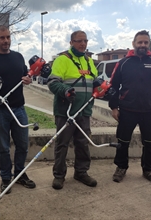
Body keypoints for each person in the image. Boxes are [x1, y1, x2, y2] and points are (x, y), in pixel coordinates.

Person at [109, 30, 151, 186]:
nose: (142, 45)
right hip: (127, 109)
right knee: (123, 141)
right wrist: (114, 107)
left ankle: (148, 170)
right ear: (133, 44)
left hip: (150, 110)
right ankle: (121, 167)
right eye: (140, 42)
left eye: (145, 42)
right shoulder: (123, 63)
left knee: (150, 143)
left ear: (148, 44)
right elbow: (113, 86)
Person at [0, 25, 36, 194]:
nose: (6, 41)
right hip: (0, 110)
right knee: (3, 147)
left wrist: (28, 79)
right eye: (2, 38)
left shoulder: (19, 57)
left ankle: (19, 174)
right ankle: (5, 178)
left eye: (8, 37)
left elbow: (25, 76)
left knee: (23, 145)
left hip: (19, 108)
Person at [47, 30, 98, 190]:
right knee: (62, 144)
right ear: (71, 42)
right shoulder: (63, 60)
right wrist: (65, 90)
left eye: (85, 41)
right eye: (78, 41)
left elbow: (94, 81)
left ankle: (81, 172)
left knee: (82, 143)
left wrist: (101, 87)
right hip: (66, 112)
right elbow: (53, 82)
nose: (82, 44)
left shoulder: (90, 62)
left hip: (84, 111)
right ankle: (59, 176)